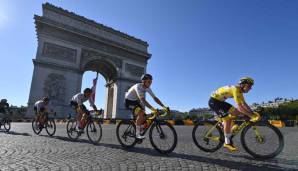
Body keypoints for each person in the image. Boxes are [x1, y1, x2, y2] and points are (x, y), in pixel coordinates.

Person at [208, 77, 261, 152]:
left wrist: (252, 113)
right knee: (227, 119)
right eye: (249, 86)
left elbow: (244, 104)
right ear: (243, 85)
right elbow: (240, 107)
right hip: (214, 102)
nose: (250, 88)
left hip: (220, 102)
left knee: (236, 113)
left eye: (251, 86)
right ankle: (227, 142)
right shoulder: (235, 89)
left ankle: (224, 125)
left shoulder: (240, 92)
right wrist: (251, 115)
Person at [125, 74, 168, 139]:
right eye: (148, 82)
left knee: (144, 115)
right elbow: (143, 101)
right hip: (129, 101)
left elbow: (155, 98)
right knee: (141, 113)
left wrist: (164, 106)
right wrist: (153, 109)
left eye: (151, 82)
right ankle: (137, 135)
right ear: (143, 81)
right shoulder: (138, 87)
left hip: (136, 101)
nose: (150, 83)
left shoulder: (147, 88)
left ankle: (139, 127)